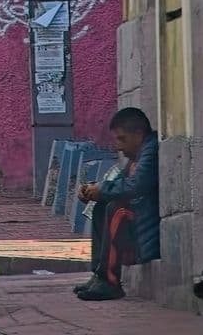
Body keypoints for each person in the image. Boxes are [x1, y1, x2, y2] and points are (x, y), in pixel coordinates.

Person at [75, 108, 160, 302]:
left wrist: (103, 190)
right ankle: (99, 274)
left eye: (122, 139)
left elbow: (135, 186)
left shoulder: (151, 151)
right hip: (137, 220)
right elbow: (119, 182)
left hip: (146, 226)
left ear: (138, 134)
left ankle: (110, 281)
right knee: (102, 206)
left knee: (117, 210)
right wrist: (93, 191)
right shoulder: (136, 156)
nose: (119, 147)